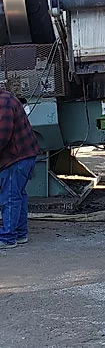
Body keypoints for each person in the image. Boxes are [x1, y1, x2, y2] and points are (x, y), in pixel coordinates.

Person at [0, 90, 40, 249]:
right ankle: (20, 233)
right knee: (17, 195)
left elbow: (2, 137)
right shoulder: (5, 98)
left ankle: (8, 238)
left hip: (16, 158)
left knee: (9, 197)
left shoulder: (3, 103)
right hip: (23, 155)